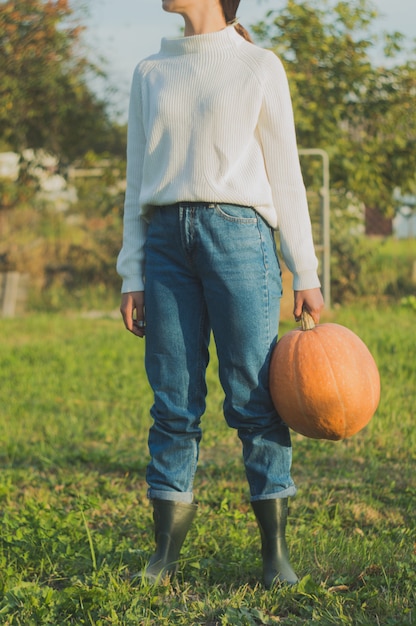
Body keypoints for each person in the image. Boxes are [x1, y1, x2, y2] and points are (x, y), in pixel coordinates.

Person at [117, 0, 324, 588]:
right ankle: (163, 556)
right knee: (173, 401)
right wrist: (131, 271)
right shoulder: (150, 71)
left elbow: (286, 172)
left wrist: (303, 270)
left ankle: (275, 554)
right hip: (164, 245)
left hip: (240, 239)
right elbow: (137, 179)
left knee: (253, 397)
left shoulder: (259, 65)